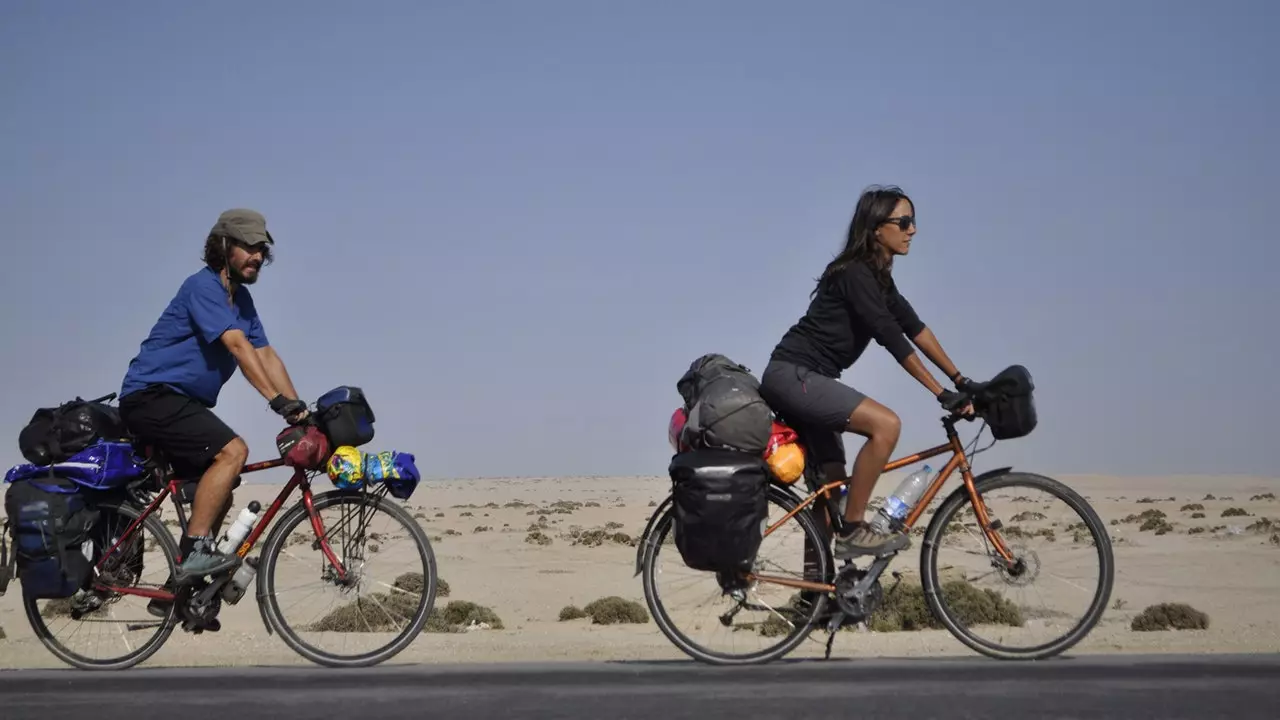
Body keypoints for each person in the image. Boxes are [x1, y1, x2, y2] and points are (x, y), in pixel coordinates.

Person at [759, 185, 973, 560]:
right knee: (886, 425)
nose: (913, 230)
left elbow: (915, 329)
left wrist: (960, 380)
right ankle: (855, 529)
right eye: (904, 221)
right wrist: (940, 393)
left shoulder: (878, 279)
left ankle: (816, 597)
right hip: (794, 374)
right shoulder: (855, 275)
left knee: (832, 488)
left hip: (809, 379)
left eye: (913, 221)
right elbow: (892, 338)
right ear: (877, 228)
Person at [118, 209, 309, 588]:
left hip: (180, 403)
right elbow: (237, 346)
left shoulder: (242, 301)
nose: (257, 256)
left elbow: (266, 354)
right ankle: (194, 553)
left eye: (261, 249)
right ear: (224, 247)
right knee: (233, 452)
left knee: (222, 480)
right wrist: (275, 401)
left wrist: (299, 410)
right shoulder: (203, 287)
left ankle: (181, 589)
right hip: (152, 396)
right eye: (248, 246)